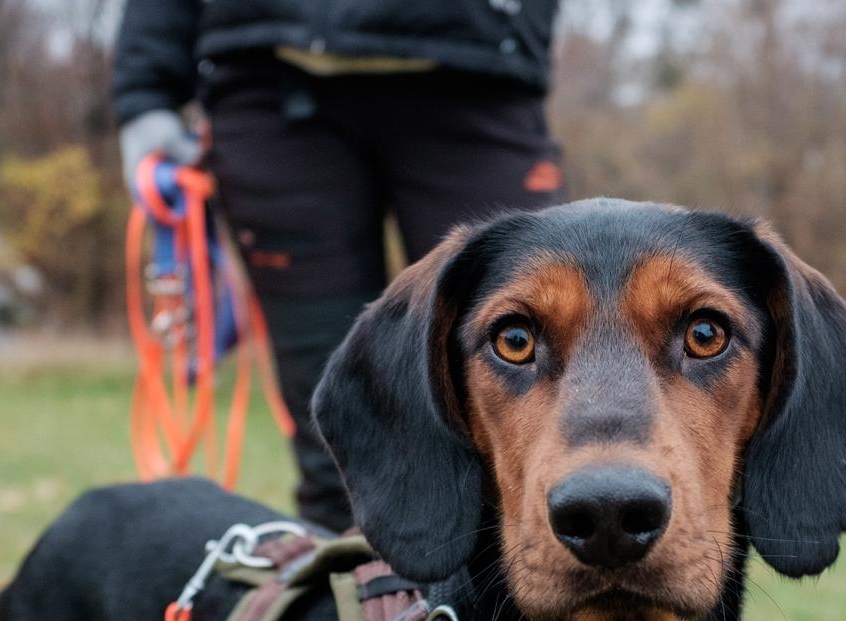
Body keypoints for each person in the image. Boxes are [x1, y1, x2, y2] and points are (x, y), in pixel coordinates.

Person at [112, 0, 565, 532]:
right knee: (332, 449)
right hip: (271, 83)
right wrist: (144, 92)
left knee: (530, 398)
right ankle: (344, 578)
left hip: (480, 68)